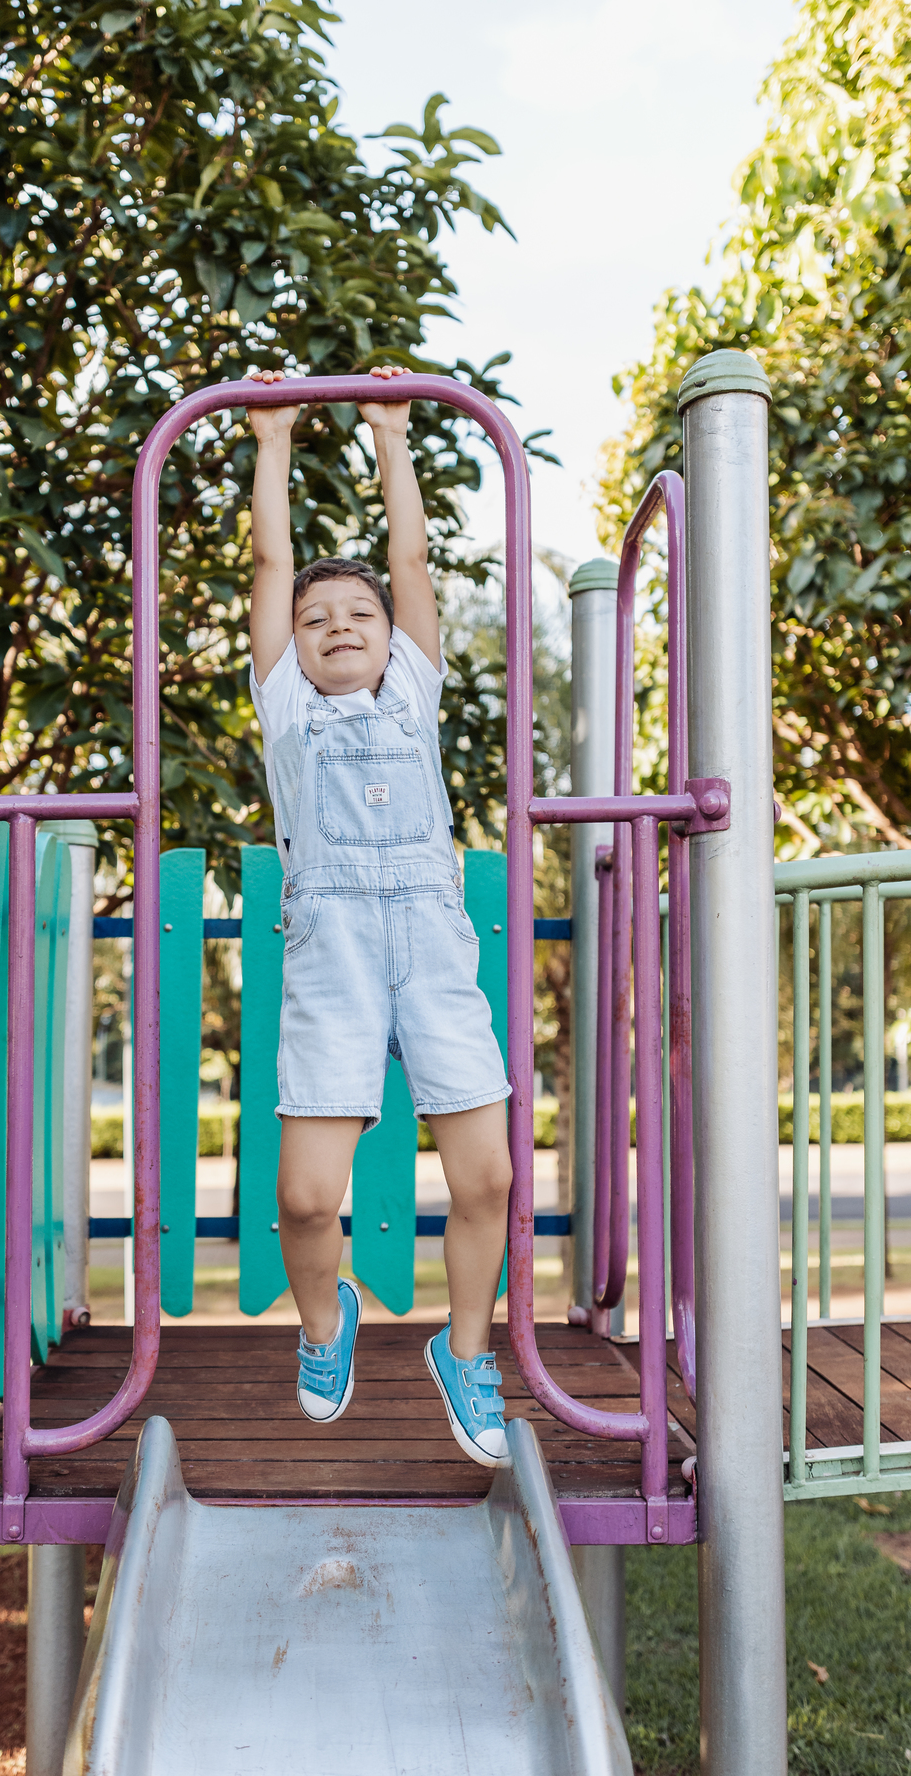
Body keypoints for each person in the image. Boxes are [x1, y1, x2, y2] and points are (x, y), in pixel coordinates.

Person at [246, 364, 514, 1468]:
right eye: (318, 618)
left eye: (361, 613)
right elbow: (269, 562)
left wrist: (390, 430)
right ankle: (326, 1323)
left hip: (429, 938)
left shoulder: (411, 691)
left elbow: (412, 559)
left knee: (489, 1176)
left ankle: (465, 1353)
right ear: (294, 645)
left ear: (393, 636)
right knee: (306, 1201)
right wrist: (272, 438)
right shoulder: (285, 710)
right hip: (335, 950)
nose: (342, 624)